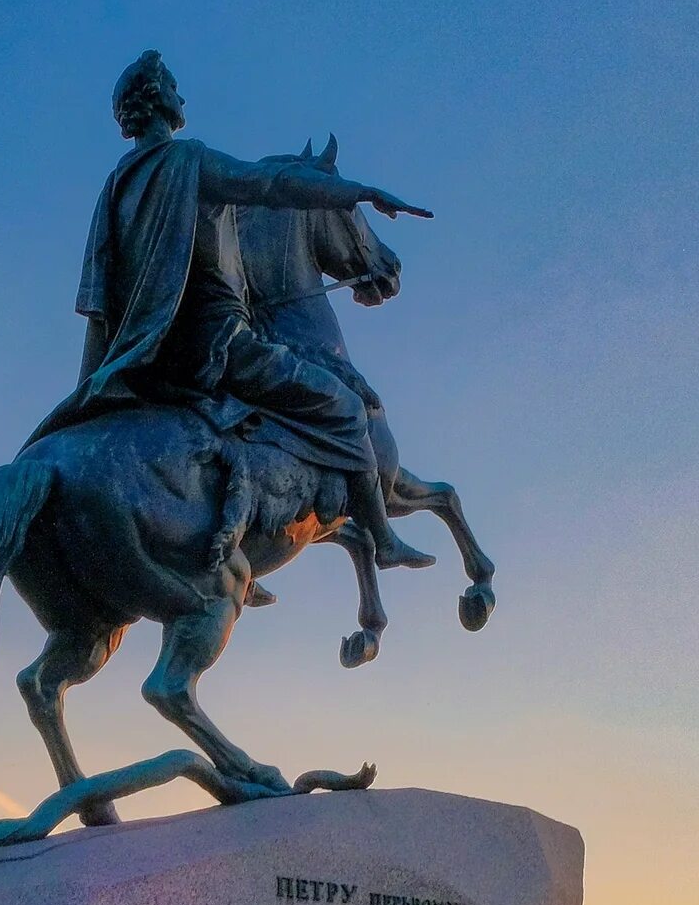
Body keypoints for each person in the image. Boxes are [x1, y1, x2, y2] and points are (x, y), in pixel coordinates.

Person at [35, 51, 435, 575]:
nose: (183, 97)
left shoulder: (114, 190)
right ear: (156, 100)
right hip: (220, 348)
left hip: (149, 362)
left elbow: (97, 305)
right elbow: (271, 185)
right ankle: (382, 537)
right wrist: (355, 191)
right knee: (344, 407)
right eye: (175, 87)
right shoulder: (187, 162)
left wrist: (88, 391)